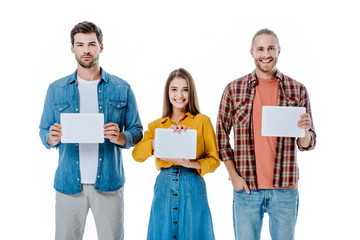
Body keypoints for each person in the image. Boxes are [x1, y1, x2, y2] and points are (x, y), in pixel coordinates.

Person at [39, 21, 143, 240]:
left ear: (101, 47)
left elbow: (137, 130)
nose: (86, 50)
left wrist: (122, 136)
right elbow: (43, 130)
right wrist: (51, 137)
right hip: (68, 185)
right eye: (80, 44)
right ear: (72, 48)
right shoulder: (55, 89)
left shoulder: (122, 88)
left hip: (108, 183)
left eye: (91, 44)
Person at [216, 28, 316, 240]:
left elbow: (306, 144)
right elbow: (221, 137)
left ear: (279, 50)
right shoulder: (233, 90)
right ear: (251, 52)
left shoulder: (297, 90)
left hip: (285, 190)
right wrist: (234, 177)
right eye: (260, 49)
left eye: (271, 48)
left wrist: (305, 130)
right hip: (247, 188)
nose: (266, 54)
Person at [132, 68, 220, 240]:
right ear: (167, 93)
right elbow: (136, 155)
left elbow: (214, 160)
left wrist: (192, 164)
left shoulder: (202, 121)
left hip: (193, 183)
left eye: (185, 89)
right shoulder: (157, 125)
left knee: (194, 232)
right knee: (162, 231)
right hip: (164, 184)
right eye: (174, 89)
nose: (179, 95)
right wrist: (158, 141)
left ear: (191, 93)